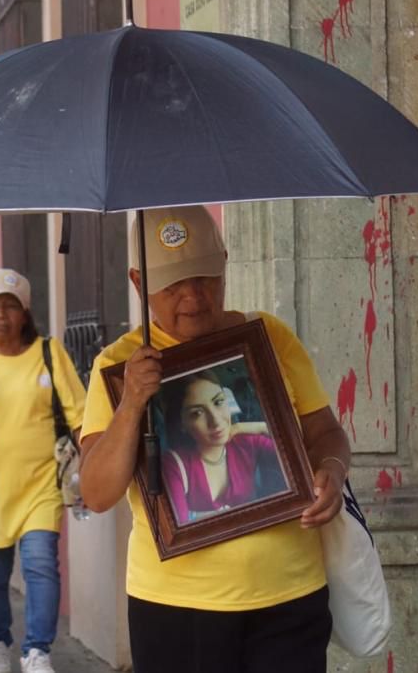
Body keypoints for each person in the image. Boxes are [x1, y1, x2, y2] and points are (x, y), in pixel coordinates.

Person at [79, 205, 350, 673]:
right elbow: (96, 493)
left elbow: (325, 431)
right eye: (173, 285)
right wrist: (131, 406)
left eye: (205, 278)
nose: (193, 297)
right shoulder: (117, 365)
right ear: (138, 282)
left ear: (225, 262)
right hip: (175, 606)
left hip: (289, 593)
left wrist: (332, 469)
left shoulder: (269, 338)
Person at [0, 269, 85, 673]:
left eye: (10, 306)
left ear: (25, 313)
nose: (0, 315)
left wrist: (93, 458)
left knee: (41, 565)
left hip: (40, 485)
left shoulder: (48, 352)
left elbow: (79, 414)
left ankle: (37, 651)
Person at [160, 369, 284, 524]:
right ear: (182, 424)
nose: (216, 421)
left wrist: (259, 427)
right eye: (197, 413)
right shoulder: (174, 464)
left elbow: (295, 457)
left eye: (218, 402)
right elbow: (180, 535)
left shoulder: (247, 442)